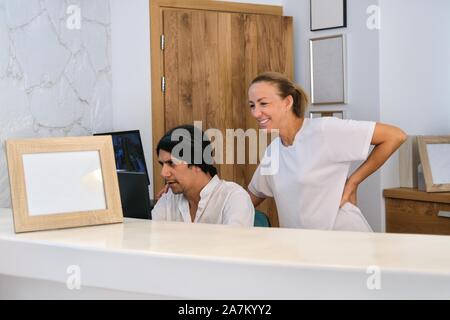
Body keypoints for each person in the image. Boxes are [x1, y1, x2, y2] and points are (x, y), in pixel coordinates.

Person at [247, 72, 407, 232]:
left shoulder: (324, 130)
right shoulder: (273, 151)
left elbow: (395, 136)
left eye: (264, 104)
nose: (255, 113)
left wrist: (353, 182)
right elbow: (250, 198)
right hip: (304, 249)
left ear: (287, 102)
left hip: (345, 241)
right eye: (252, 105)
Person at [152, 125, 255, 227]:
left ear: (197, 163)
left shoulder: (234, 198)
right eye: (162, 164)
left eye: (171, 163)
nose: (163, 173)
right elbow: (151, 237)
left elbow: (235, 243)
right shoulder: (169, 198)